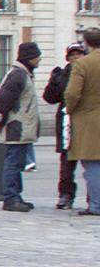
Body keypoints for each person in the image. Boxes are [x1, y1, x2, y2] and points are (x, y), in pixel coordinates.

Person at [0, 42, 42, 212]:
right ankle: (10, 198)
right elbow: (3, 101)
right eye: (37, 56)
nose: (39, 59)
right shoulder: (18, 75)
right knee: (13, 163)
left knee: (17, 162)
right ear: (30, 58)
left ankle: (15, 196)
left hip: (20, 126)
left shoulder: (22, 74)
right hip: (17, 126)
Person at [44, 42, 85, 209]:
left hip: (85, 120)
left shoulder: (90, 72)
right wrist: (54, 81)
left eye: (79, 54)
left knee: (91, 162)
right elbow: (50, 98)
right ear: (67, 57)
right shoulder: (62, 74)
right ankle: (65, 195)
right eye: (72, 55)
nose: (75, 58)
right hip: (66, 122)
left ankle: (94, 196)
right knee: (67, 162)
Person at [64, 28, 100, 217]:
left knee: (93, 164)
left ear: (86, 43)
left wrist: (70, 109)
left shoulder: (82, 64)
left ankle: (96, 205)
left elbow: (72, 93)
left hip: (88, 119)